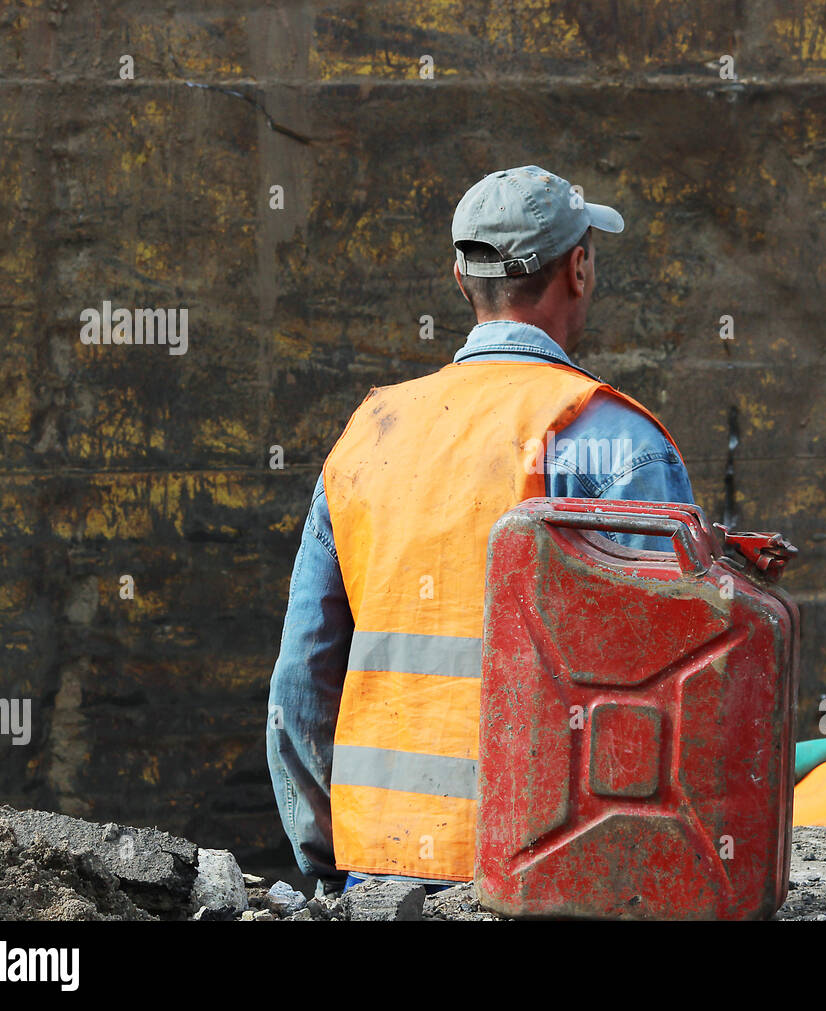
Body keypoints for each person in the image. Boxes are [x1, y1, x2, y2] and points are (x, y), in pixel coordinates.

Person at [266, 165, 693, 895]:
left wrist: (334, 869)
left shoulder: (370, 436)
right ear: (580, 269)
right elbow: (678, 696)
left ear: (461, 280)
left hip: (384, 876)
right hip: (558, 878)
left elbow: (300, 686)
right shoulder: (615, 443)